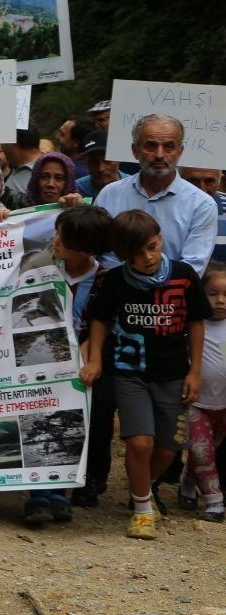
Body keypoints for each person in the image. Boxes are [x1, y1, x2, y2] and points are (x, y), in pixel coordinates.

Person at [81, 210, 211, 539]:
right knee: (140, 443)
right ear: (123, 256)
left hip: (173, 374)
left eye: (152, 247)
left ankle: (143, 487)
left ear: (160, 238)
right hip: (130, 373)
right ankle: (142, 508)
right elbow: (100, 320)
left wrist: (195, 370)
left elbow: (196, 323)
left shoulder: (183, 276)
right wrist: (95, 359)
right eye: (136, 254)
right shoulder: (116, 281)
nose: (147, 257)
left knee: (168, 448)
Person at [22, 205, 113, 521]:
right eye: (56, 231)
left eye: (63, 236)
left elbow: (100, 321)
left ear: (84, 247)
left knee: (68, 426)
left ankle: (61, 491)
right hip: (42, 363)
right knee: (38, 421)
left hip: (83, 365)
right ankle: (38, 495)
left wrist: (88, 356)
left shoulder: (104, 280)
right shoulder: (41, 269)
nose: (55, 239)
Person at [93, 115, 216, 276]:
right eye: (151, 146)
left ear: (180, 151)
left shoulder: (201, 205)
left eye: (169, 146)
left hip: (171, 297)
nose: (159, 154)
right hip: (116, 294)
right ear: (135, 151)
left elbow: (192, 268)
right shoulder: (109, 194)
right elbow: (98, 252)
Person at [182, 263, 226, 522]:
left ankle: (188, 483)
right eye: (212, 293)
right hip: (197, 402)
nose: (220, 301)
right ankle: (214, 502)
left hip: (224, 404)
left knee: (210, 450)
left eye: (225, 295)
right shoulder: (194, 325)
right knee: (201, 450)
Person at [179, 167, 226, 263]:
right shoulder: (163, 207)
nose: (202, 189)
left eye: (209, 181)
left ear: (220, 180)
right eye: (193, 181)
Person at [75, 130, 128, 199]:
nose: (100, 168)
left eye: (107, 160)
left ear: (119, 157)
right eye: (93, 161)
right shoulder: (76, 190)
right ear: (84, 161)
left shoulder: (135, 187)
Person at [2, 126, 43, 196]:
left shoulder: (49, 171)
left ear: (13, 145)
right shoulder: (14, 167)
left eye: (3, 142)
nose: (1, 146)